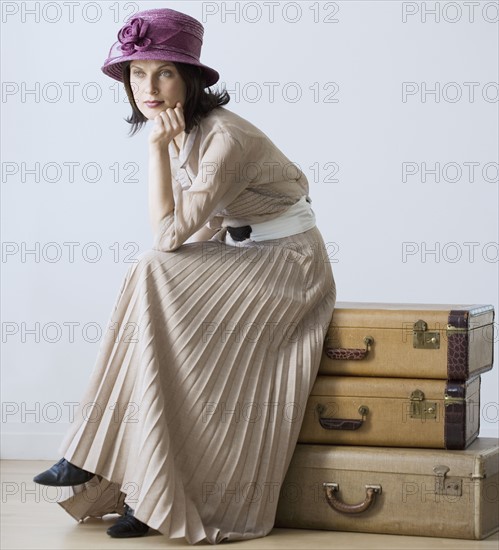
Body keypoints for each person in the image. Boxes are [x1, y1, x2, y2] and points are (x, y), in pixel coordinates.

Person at [33, 7, 336, 545]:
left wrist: (153, 149)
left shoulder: (225, 139)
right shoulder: (184, 129)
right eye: (136, 73)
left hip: (289, 267)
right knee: (155, 320)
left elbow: (168, 238)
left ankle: (91, 457)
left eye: (163, 72)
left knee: (150, 268)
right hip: (239, 257)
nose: (147, 87)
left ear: (191, 77)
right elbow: (186, 241)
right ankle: (142, 489)